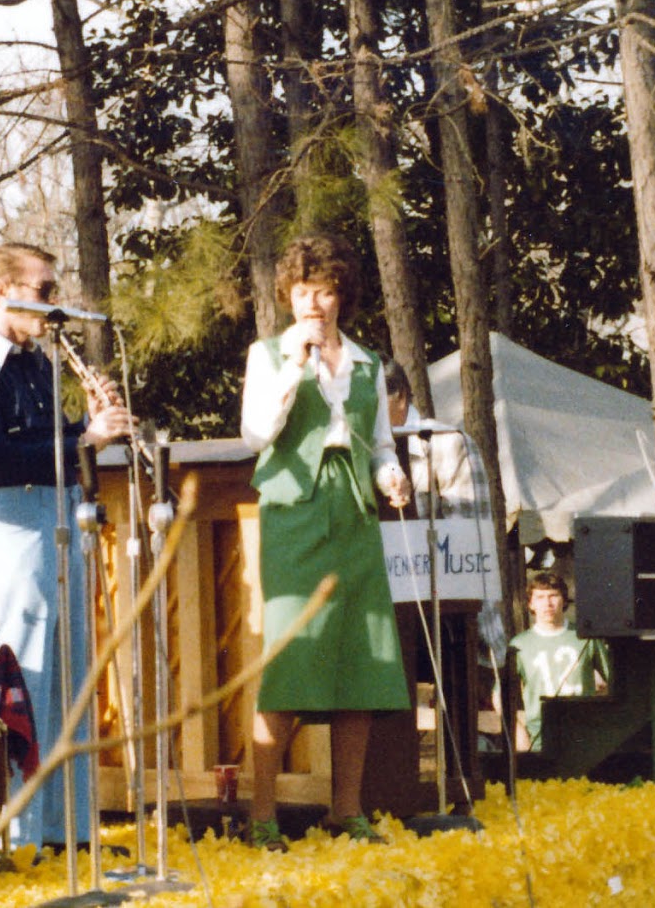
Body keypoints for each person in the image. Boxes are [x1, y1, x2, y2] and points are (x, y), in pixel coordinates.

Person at [0, 242, 132, 852]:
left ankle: (67, 829)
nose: (53, 303)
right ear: (3, 293)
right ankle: (21, 831)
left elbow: (55, 442)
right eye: (44, 291)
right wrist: (83, 443)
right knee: (28, 674)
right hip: (13, 524)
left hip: (59, 515)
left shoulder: (33, 363)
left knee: (70, 671)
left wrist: (87, 430)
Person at [239, 234, 412, 849]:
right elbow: (258, 433)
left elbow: (381, 445)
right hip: (295, 512)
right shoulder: (267, 355)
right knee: (292, 658)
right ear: (289, 296)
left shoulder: (367, 364)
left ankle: (346, 810)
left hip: (356, 514)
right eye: (303, 290)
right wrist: (294, 368)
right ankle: (261, 816)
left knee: (360, 662)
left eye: (327, 290)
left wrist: (389, 475)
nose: (315, 302)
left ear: (343, 296)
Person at [509, 572, 610, 752]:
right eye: (540, 597)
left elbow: (616, 681)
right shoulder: (519, 645)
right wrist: (518, 732)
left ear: (564, 600)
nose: (547, 604)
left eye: (553, 596)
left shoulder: (586, 638)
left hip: (584, 737)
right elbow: (499, 695)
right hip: (540, 739)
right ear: (531, 604)